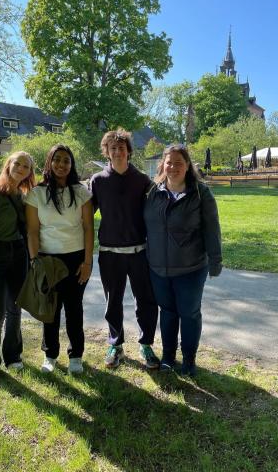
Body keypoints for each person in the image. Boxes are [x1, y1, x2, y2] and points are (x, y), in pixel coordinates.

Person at [144, 144, 222, 376]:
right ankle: (168, 356)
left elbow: (212, 230)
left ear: (188, 166)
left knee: (189, 314)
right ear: (163, 165)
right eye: (169, 162)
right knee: (167, 313)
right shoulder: (152, 193)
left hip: (191, 268)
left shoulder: (200, 193)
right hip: (158, 268)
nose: (173, 167)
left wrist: (216, 261)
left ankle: (189, 359)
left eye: (179, 162)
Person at [90, 130, 159, 369]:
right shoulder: (97, 181)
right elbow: (84, 214)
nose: (117, 152)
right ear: (106, 152)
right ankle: (115, 344)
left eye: (121, 147)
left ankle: (146, 345)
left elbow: (158, 211)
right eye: (112, 148)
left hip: (140, 252)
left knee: (147, 301)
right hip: (110, 253)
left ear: (129, 150)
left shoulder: (142, 180)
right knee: (113, 302)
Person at [25, 144, 93, 375]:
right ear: (49, 163)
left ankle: (76, 356)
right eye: (57, 159)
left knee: (74, 309)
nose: (61, 164)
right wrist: (35, 262)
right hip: (47, 260)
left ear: (71, 164)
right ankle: (50, 355)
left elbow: (88, 229)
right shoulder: (36, 194)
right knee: (50, 311)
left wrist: (87, 262)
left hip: (75, 259)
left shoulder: (81, 192)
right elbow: (32, 231)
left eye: (66, 160)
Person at [0, 151, 36, 385]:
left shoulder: (23, 197)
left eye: (26, 166)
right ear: (8, 165)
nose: (21, 168)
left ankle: (13, 356)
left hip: (18, 255)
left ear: (30, 172)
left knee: (15, 309)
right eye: (17, 163)